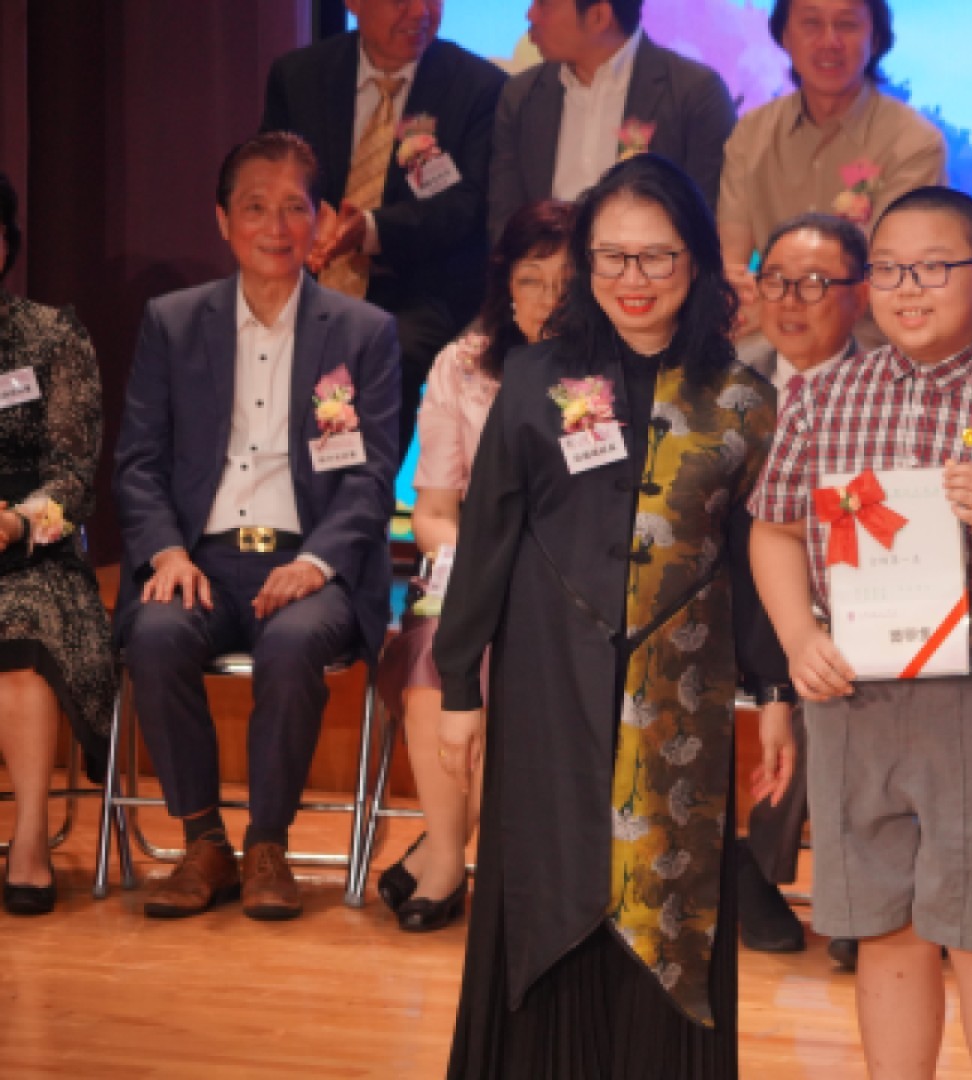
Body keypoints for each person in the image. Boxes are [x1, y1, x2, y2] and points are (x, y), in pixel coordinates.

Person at [433, 154, 792, 1078]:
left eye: (657, 256)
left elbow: (755, 562)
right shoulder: (538, 377)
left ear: (696, 261)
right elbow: (488, 536)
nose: (634, 279)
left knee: (667, 912)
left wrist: (776, 692)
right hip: (547, 682)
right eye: (612, 257)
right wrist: (460, 685)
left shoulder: (741, 399)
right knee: (548, 888)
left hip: (682, 699)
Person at [748, 186, 972, 1079]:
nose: (909, 289)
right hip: (856, 693)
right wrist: (798, 639)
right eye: (891, 270)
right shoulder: (823, 397)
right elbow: (775, 528)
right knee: (883, 932)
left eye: (935, 268)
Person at [114, 132, 401, 921]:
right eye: (254, 208)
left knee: (292, 642)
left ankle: (268, 843)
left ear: (322, 221)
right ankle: (205, 843)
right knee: (155, 635)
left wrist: (317, 562)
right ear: (222, 220)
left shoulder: (363, 331)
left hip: (310, 564)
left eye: (293, 209)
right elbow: (138, 461)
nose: (275, 228)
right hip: (199, 558)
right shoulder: (174, 322)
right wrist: (167, 553)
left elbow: (372, 475)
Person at [370, 199, 572, 934]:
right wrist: (476, 570)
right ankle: (449, 863)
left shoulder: (606, 371)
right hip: (474, 570)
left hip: (567, 581)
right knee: (437, 645)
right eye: (531, 280)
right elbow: (432, 511)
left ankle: (438, 847)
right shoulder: (463, 364)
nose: (547, 300)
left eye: (566, 283)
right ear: (504, 283)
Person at [262, 0, 507, 458]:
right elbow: (270, 177)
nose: (420, 12)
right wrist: (307, 219)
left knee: (387, 351)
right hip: (310, 278)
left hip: (419, 289)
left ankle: (362, 490)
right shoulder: (300, 76)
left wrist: (370, 230)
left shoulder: (479, 86)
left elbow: (467, 206)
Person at [729, 211, 868, 964]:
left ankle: (861, 892)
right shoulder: (723, 385)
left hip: (851, 596)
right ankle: (751, 869)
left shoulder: (889, 386)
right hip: (732, 601)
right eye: (775, 281)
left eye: (813, 283)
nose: (789, 300)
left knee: (836, 667)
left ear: (860, 294)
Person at [0, 172, 114, 917]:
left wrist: (17, 520)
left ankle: (31, 842)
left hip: (32, 553)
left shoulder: (50, 337)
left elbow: (73, 473)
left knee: (24, 629)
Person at [716, 0, 947, 349]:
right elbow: (731, 263)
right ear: (784, 35)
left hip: (866, 341)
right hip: (767, 333)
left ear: (876, 38)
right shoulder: (752, 133)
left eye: (847, 25)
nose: (829, 41)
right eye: (811, 23)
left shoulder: (914, 143)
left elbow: (888, 277)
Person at [490, 0, 737, 239]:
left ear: (598, 17)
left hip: (648, 264)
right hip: (547, 262)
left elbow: (703, 222)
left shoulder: (694, 93)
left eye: (544, 4)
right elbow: (506, 221)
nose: (530, 15)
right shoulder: (521, 96)